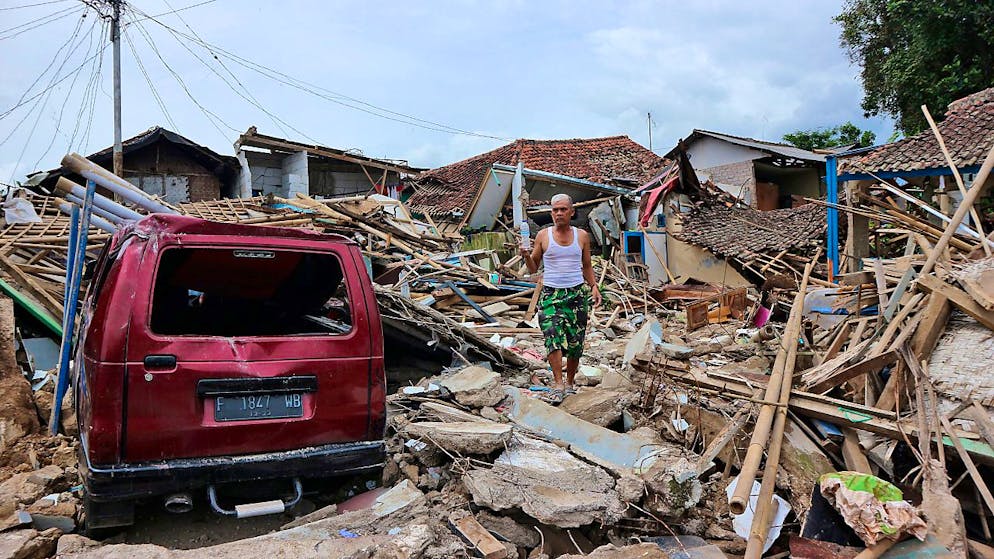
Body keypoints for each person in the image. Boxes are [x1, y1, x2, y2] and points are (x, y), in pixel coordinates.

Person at [519, 193, 602, 403]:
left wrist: (594, 286)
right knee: (552, 337)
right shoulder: (543, 236)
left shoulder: (581, 236)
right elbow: (533, 268)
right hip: (550, 294)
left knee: (575, 342)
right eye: (555, 210)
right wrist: (527, 256)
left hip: (576, 294)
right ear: (551, 212)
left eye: (563, 209)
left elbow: (586, 265)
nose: (558, 213)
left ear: (572, 212)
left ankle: (570, 382)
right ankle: (557, 383)